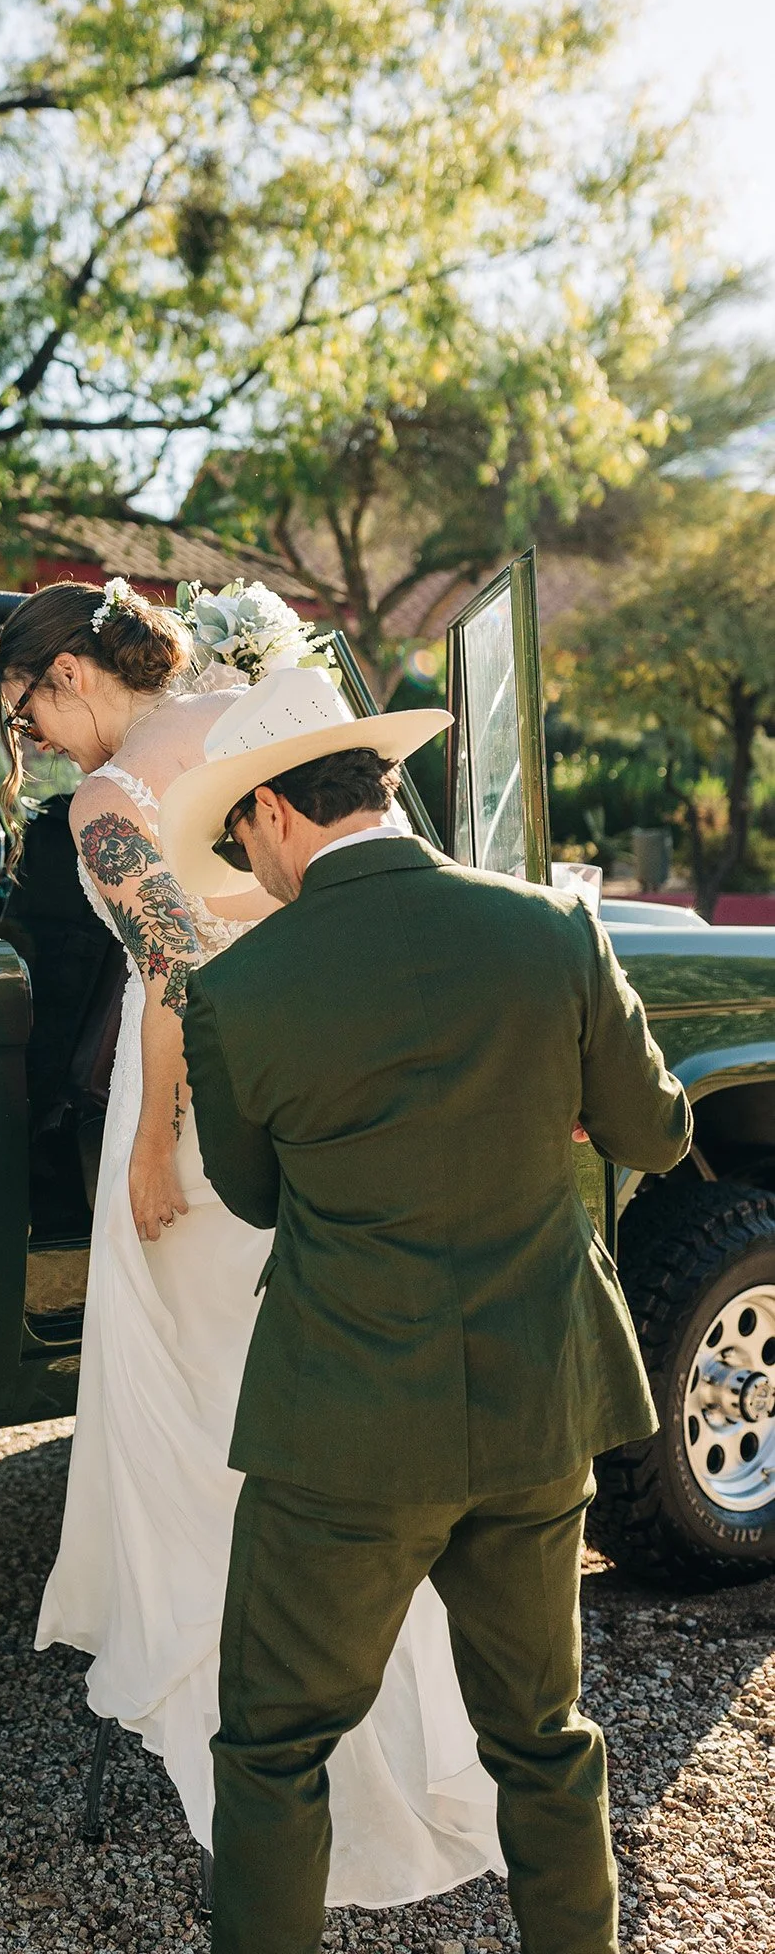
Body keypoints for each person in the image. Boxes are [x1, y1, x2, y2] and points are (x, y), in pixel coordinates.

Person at [157, 665, 694, 1954]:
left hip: (344, 1430)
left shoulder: (238, 992)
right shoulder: (555, 929)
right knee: (545, 1735)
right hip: (536, 1408)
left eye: (244, 838)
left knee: (276, 1744)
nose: (251, 866)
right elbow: (658, 1134)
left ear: (280, 813)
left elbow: (252, 1193)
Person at [0, 578, 507, 1910]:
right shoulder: (274, 712)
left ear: (73, 675)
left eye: (26, 709)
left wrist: (157, 1139)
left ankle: (252, 1711)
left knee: (206, 1427)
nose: (33, 740)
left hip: (205, 1118)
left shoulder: (107, 810)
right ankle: (383, 1705)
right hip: (325, 1101)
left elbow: (175, 974)